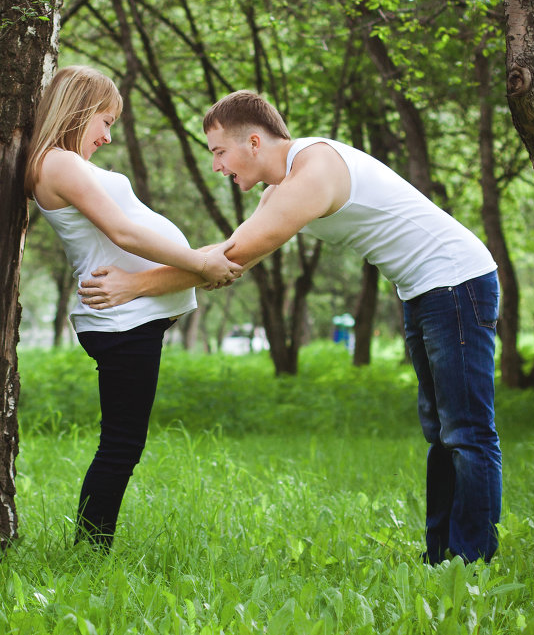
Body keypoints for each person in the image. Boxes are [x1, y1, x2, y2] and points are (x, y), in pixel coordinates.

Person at [78, 90, 502, 563]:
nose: (217, 167)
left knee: (466, 433)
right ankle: (443, 559)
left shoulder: (312, 173)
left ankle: (474, 564)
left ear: (254, 142)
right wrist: (143, 283)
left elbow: (235, 258)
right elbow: (228, 254)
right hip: (424, 291)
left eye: (220, 152)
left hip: (457, 283)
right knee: (442, 433)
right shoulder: (282, 186)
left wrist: (135, 285)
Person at [25, 65, 242, 550]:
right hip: (119, 319)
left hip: (131, 317)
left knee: (123, 442)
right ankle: (89, 548)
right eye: (104, 120)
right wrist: (198, 264)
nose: (106, 136)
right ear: (78, 109)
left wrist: (195, 265)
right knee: (122, 444)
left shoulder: (65, 163)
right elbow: (123, 233)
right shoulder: (57, 162)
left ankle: (91, 544)